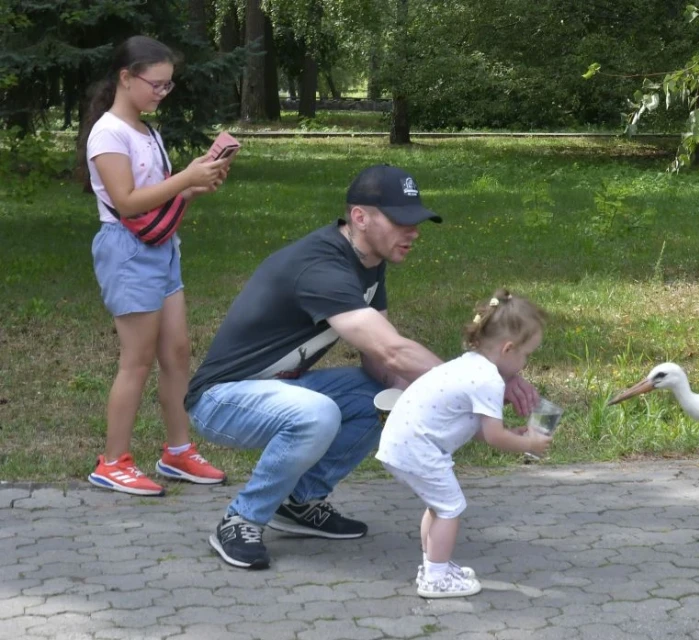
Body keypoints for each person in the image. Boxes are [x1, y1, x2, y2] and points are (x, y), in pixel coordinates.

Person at [184, 164, 540, 570]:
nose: (414, 231)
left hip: (279, 388)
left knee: (384, 397)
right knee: (316, 415)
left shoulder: (369, 262)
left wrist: (476, 411)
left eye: (417, 221)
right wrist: (484, 381)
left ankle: (300, 501)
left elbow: (378, 362)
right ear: (360, 217)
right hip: (222, 398)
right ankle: (241, 519)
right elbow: (392, 351)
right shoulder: (321, 265)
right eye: (401, 220)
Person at [82, 35, 229, 496]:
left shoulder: (147, 131)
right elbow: (126, 204)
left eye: (168, 86)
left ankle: (178, 452)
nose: (162, 94)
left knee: (177, 353)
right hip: (127, 251)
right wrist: (184, 178)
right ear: (126, 78)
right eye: (156, 85)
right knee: (138, 360)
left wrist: (194, 182)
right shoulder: (109, 132)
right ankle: (113, 461)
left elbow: (156, 200)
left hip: (162, 247)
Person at [376, 289, 552, 598]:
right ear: (509, 348)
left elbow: (483, 431)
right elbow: (496, 438)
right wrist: (531, 445)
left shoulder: (471, 365)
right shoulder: (489, 380)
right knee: (451, 507)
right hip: (418, 447)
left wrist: (515, 433)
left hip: (405, 442)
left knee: (439, 505)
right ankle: (436, 578)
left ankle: (434, 566)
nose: (525, 363)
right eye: (527, 355)